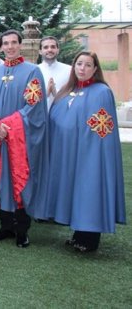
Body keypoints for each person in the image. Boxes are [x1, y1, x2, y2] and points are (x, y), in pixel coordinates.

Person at [0, 29, 48, 248]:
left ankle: (22, 230)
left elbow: (34, 107)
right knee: (0, 179)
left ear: (21, 45)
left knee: (18, 180)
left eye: (14, 42)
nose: (10, 47)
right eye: (6, 43)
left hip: (19, 140)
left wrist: (10, 126)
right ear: (2, 46)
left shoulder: (32, 72)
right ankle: (5, 226)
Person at [46, 51, 126, 252]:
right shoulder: (67, 91)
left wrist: (90, 155)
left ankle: (89, 239)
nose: (82, 68)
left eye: (87, 65)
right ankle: (78, 235)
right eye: (79, 64)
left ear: (95, 69)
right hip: (69, 154)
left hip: (91, 155)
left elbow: (101, 128)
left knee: (89, 192)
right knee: (76, 193)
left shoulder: (101, 92)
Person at [38, 36, 70, 109]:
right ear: (40, 51)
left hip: (62, 114)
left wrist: (57, 93)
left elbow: (74, 96)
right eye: (46, 47)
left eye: (53, 47)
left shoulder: (69, 70)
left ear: (58, 50)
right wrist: (45, 93)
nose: (49, 50)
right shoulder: (34, 71)